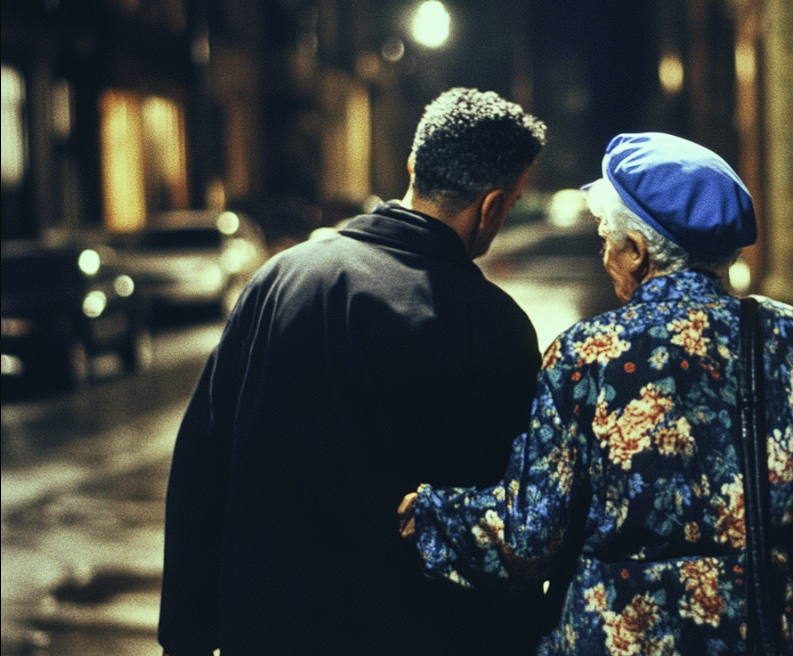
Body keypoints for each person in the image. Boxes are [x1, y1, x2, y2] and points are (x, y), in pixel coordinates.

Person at [399, 132, 793, 655]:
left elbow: (529, 538)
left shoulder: (588, 355)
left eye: (607, 240)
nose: (606, 254)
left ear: (634, 252)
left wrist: (428, 515)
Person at [159, 88, 549, 656]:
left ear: (413, 167)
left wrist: (185, 638)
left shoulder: (279, 281)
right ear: (492, 206)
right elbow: (505, 523)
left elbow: (201, 462)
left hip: (267, 631)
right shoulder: (494, 326)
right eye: (510, 203)